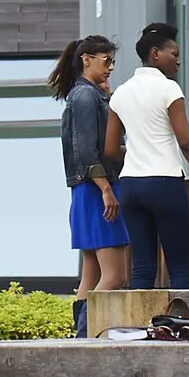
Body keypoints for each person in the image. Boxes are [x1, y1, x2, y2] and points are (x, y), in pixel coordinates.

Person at [105, 24, 189, 290]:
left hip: (130, 185)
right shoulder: (168, 89)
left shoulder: (121, 93)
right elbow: (186, 143)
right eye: (173, 53)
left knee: (141, 269)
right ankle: (181, 328)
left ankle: (135, 330)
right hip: (164, 182)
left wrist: (137, 148)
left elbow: (110, 151)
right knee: (179, 269)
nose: (178, 60)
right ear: (155, 54)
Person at [48, 35, 125, 295]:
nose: (111, 66)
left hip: (88, 191)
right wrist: (106, 190)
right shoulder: (84, 96)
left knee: (91, 277)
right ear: (87, 59)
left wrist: (107, 95)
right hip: (97, 190)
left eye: (112, 61)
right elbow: (85, 149)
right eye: (106, 60)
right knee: (115, 276)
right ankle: (93, 334)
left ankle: (83, 333)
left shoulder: (87, 94)